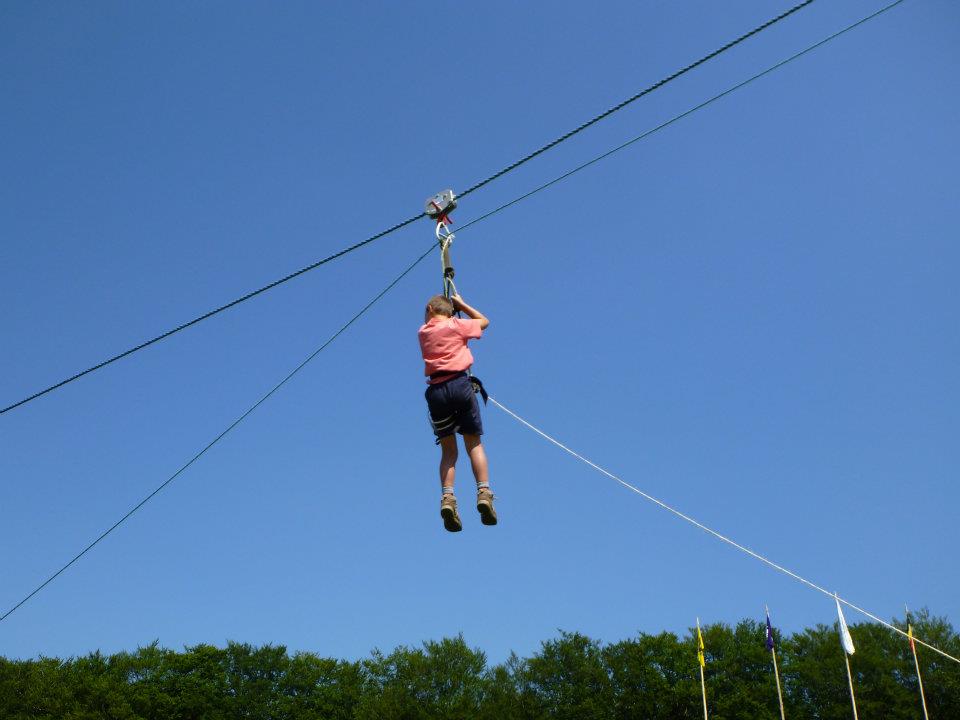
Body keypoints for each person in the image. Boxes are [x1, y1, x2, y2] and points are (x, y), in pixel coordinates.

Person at [418, 293, 496, 532]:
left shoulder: (423, 332)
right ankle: (483, 492)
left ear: (430, 309)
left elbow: (437, 323)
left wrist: (451, 311)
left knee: (449, 451)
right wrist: (461, 305)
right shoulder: (457, 325)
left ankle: (448, 498)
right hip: (460, 386)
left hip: (436, 391)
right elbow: (484, 321)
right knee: (474, 444)